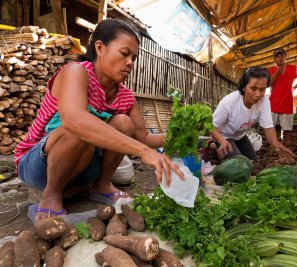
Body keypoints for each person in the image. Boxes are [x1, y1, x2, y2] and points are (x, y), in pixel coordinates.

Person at [15, 19, 184, 221]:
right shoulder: (76, 72)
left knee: (123, 122)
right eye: (124, 54)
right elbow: (74, 121)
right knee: (80, 125)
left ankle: (102, 185)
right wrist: (143, 152)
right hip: (38, 166)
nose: (130, 62)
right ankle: (52, 195)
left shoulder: (126, 97)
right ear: (100, 47)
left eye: (133, 58)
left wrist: (180, 133)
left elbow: (144, 138)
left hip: (83, 167)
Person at [210, 66, 297, 164]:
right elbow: (210, 126)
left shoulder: (264, 101)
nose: (258, 94)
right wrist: (221, 141)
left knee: (253, 163)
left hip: (240, 136)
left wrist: (275, 143)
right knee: (239, 165)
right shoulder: (229, 102)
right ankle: (214, 146)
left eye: (262, 89)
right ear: (244, 86)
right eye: (253, 88)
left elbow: (268, 127)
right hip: (223, 136)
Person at [268, 48, 297, 143]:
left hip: (287, 102)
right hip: (273, 102)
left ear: (286, 56)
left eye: (282, 55)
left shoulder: (293, 68)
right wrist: (277, 73)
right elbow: (267, 84)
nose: (280, 58)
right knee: (272, 127)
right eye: (277, 56)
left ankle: (288, 146)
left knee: (287, 128)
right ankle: (275, 146)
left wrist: (295, 87)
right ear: (274, 59)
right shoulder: (271, 70)